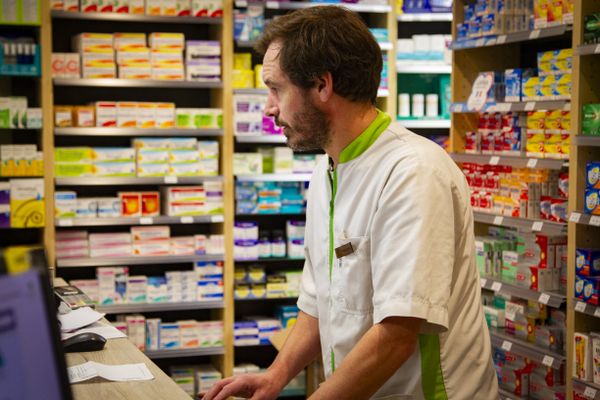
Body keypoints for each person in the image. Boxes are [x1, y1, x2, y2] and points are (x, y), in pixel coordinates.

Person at [203, 6, 499, 400]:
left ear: (322, 85)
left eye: (276, 89)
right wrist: (276, 375)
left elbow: (396, 337)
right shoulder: (329, 169)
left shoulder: (412, 173)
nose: (269, 108)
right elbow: (319, 302)